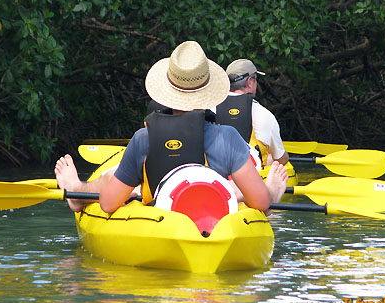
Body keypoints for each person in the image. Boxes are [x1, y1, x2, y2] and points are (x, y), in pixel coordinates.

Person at [55, 41, 288, 215]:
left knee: (111, 177)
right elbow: (260, 203)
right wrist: (270, 193)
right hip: (212, 218)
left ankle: (79, 190)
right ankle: (272, 190)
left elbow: (107, 204)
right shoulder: (228, 137)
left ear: (167, 93)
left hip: (160, 218)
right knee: (258, 195)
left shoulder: (142, 139)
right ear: (209, 93)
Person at [214, 59, 289, 166]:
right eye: (256, 79)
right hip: (251, 177)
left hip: (215, 176)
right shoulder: (265, 115)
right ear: (249, 82)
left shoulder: (210, 109)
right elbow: (280, 159)